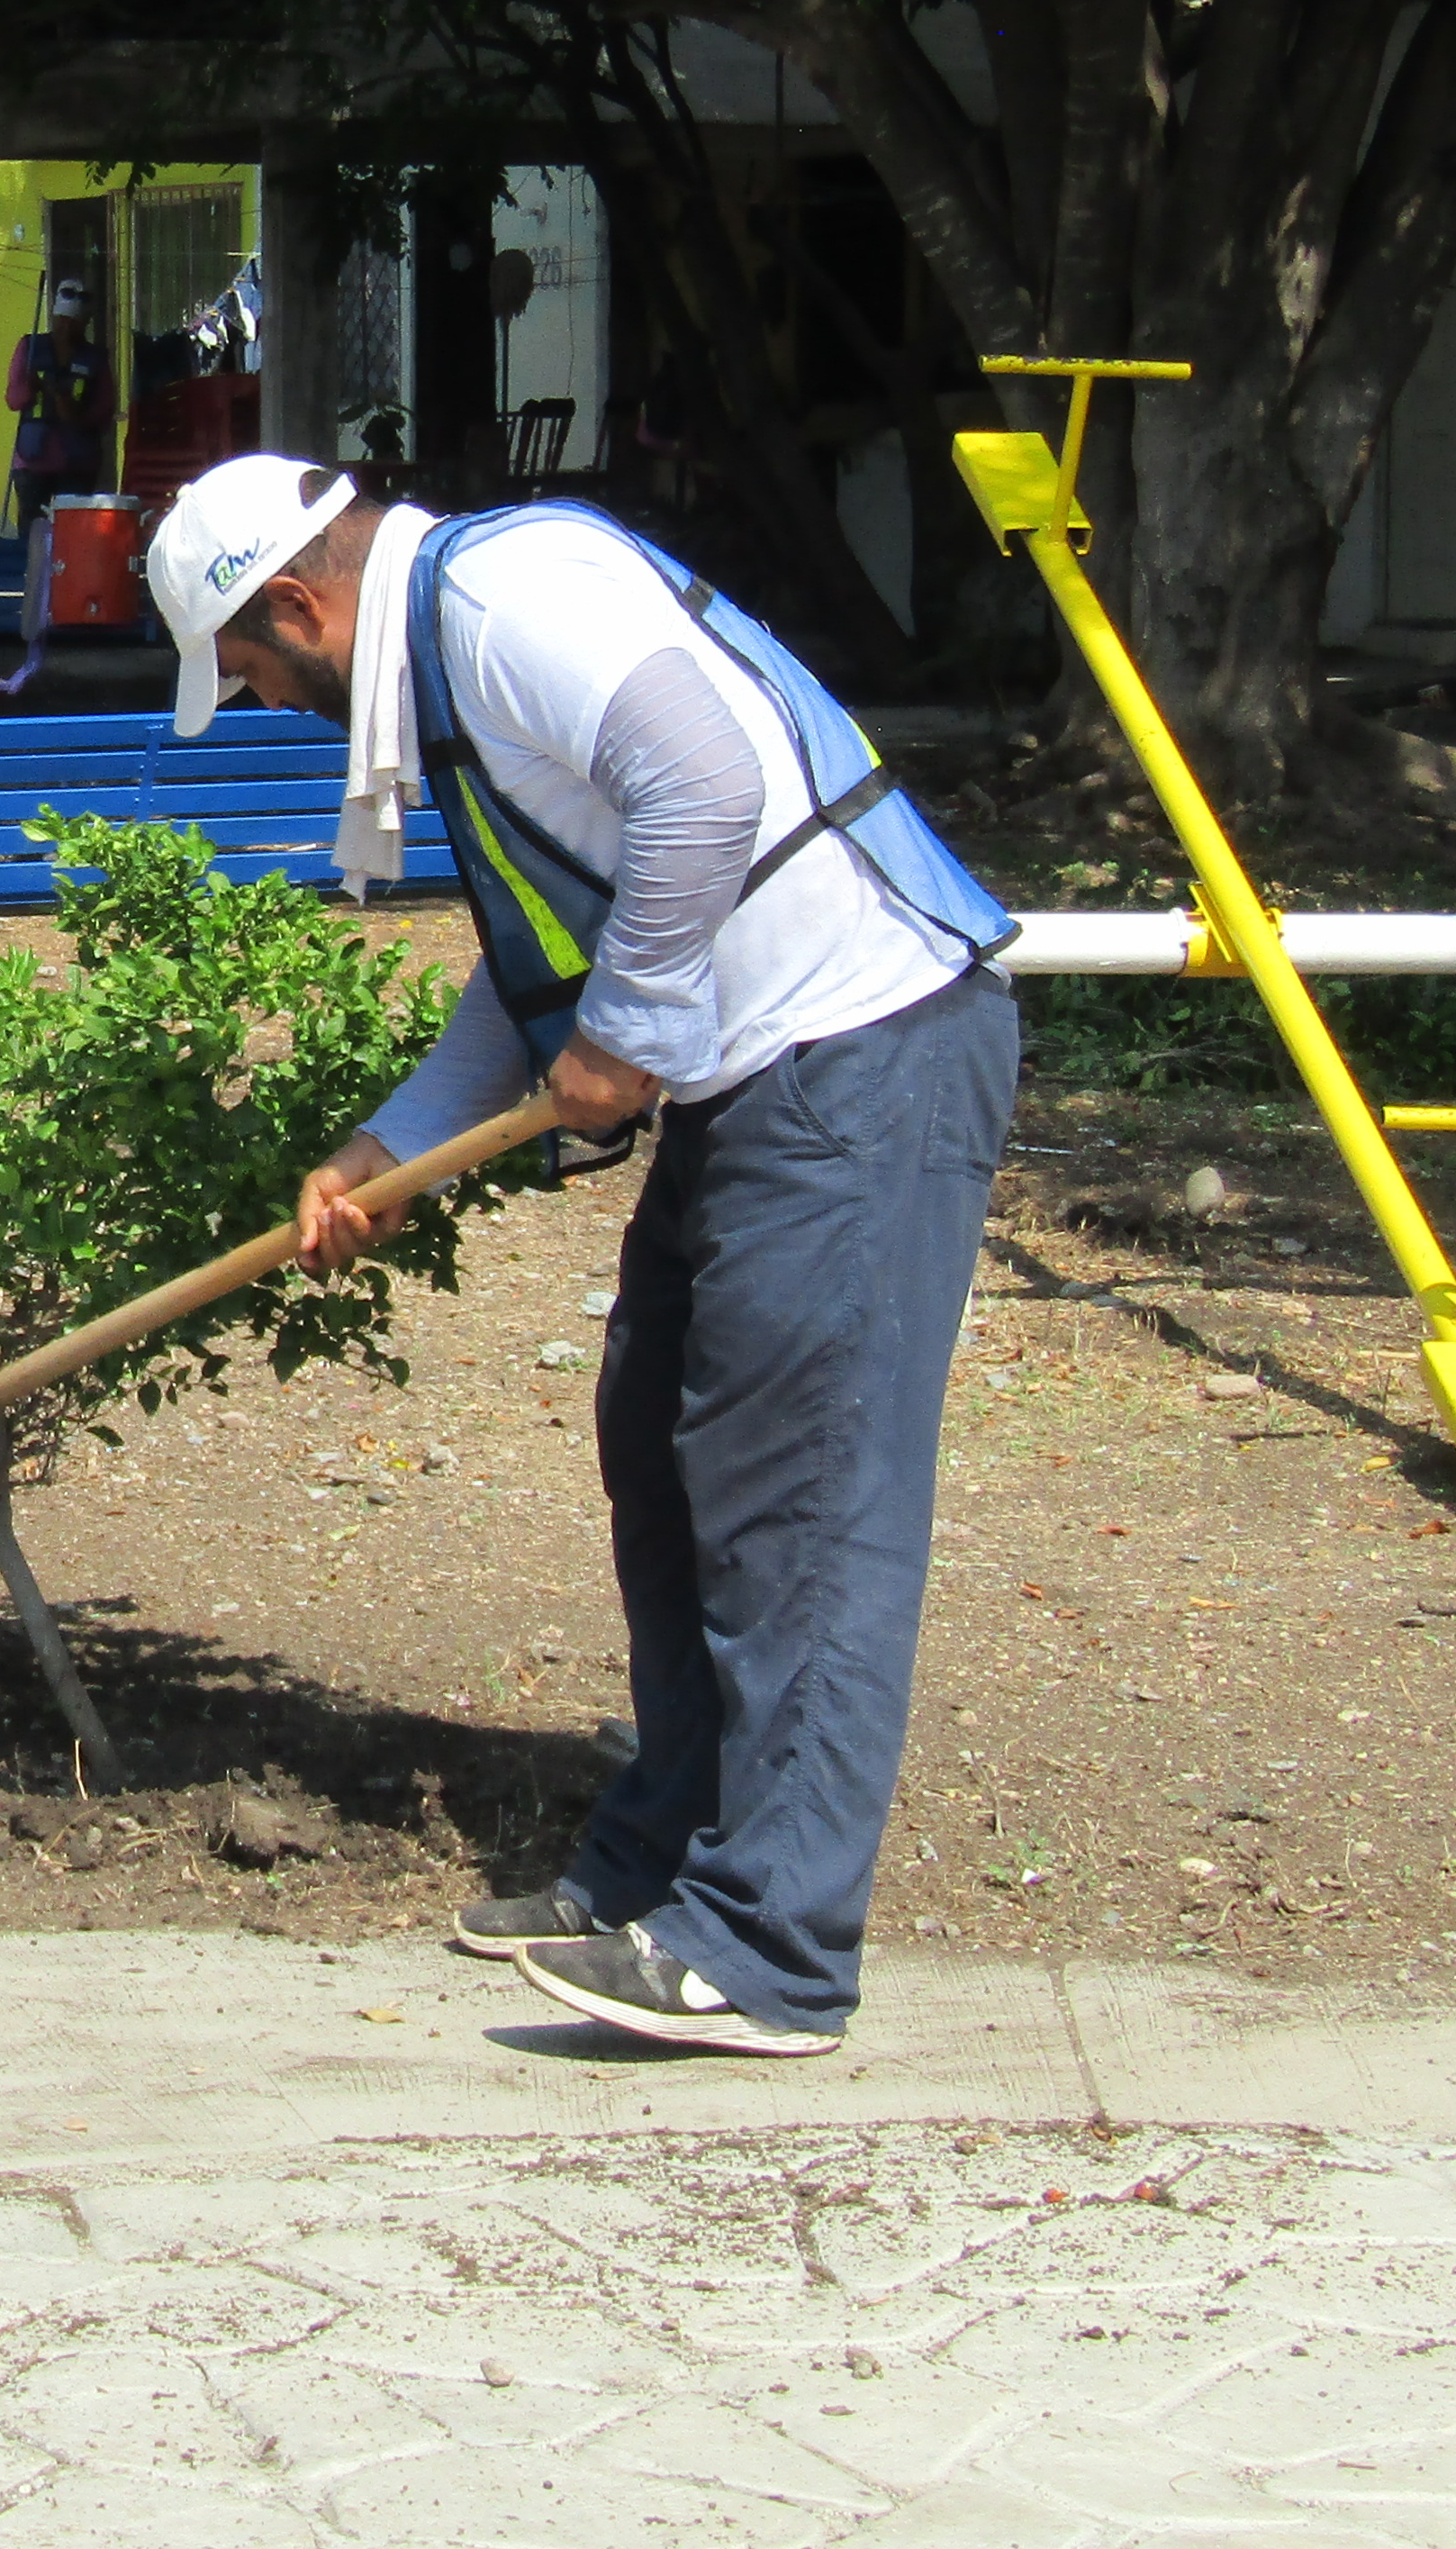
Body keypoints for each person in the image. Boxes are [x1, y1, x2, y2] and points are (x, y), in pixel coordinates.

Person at [146, 454, 1017, 2059]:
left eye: (259, 674)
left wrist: (623, 1036)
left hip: (862, 1052)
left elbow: (700, 780)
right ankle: (662, 1864)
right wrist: (383, 1145)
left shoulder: (498, 599)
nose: (271, 705)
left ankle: (768, 1946)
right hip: (773, 1074)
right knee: (663, 1440)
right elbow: (546, 950)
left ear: (297, 604)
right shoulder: (456, 660)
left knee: (799, 1494)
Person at [3, 275, 108, 524]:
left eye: (74, 322)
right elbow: (13, 399)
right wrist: (30, 387)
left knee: (72, 534)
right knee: (32, 533)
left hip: (78, 464)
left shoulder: (96, 359)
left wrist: (76, 414)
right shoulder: (30, 348)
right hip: (33, 463)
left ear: (85, 323)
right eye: (62, 321)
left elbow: (105, 411)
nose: (66, 329)